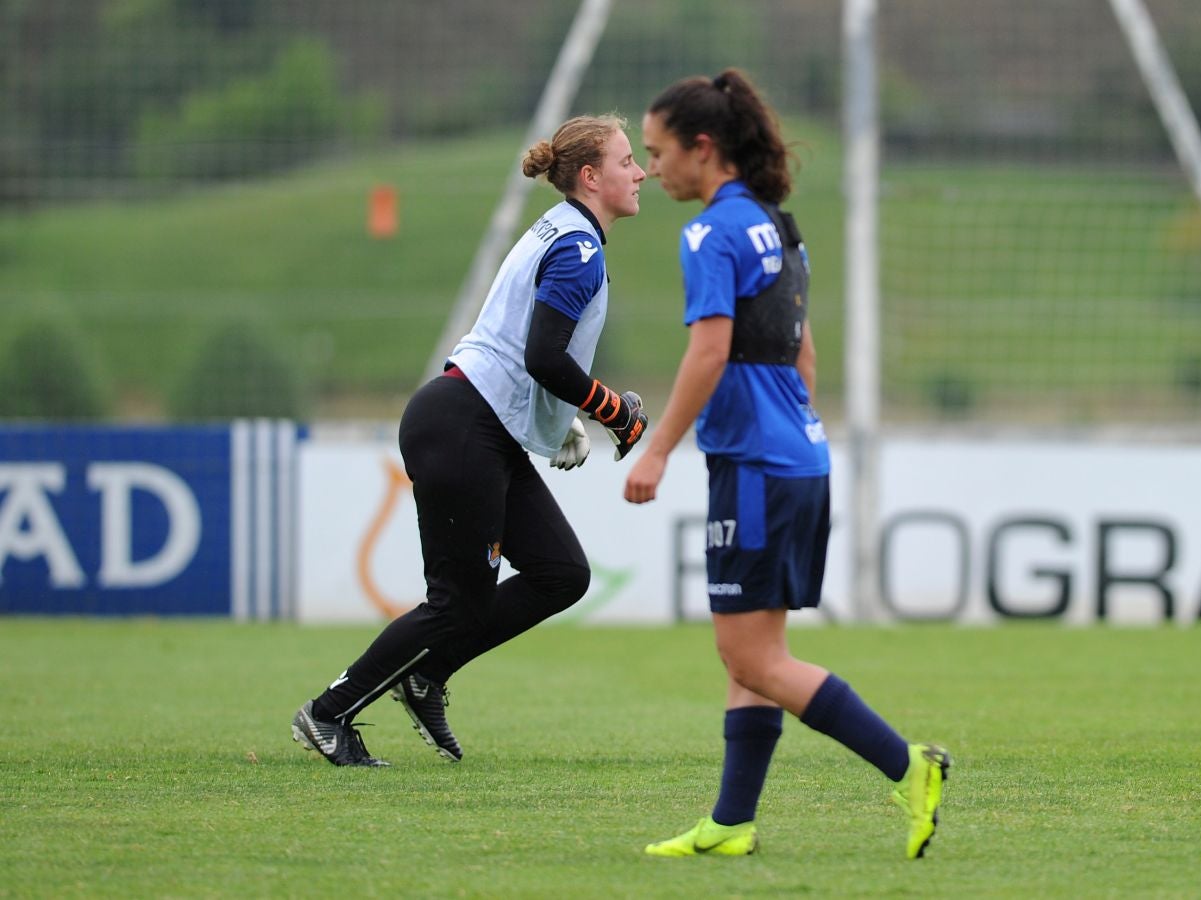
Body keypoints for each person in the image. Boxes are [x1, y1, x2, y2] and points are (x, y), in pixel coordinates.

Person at [625, 70, 951, 859]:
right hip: (798, 454)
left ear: (704, 149)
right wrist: (782, 425)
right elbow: (801, 355)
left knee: (748, 655)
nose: (651, 168)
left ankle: (909, 765)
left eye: (658, 151)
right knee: (754, 651)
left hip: (756, 464)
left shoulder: (711, 234)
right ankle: (732, 822)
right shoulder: (778, 226)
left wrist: (658, 447)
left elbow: (708, 350)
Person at [292, 114, 649, 766]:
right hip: (464, 426)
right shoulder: (577, 247)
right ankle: (327, 712)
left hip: (479, 423)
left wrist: (557, 419)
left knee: (560, 574)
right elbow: (543, 355)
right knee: (457, 603)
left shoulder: (565, 233)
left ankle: (428, 675)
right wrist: (611, 412)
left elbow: (525, 352)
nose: (641, 172)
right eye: (627, 161)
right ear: (591, 176)